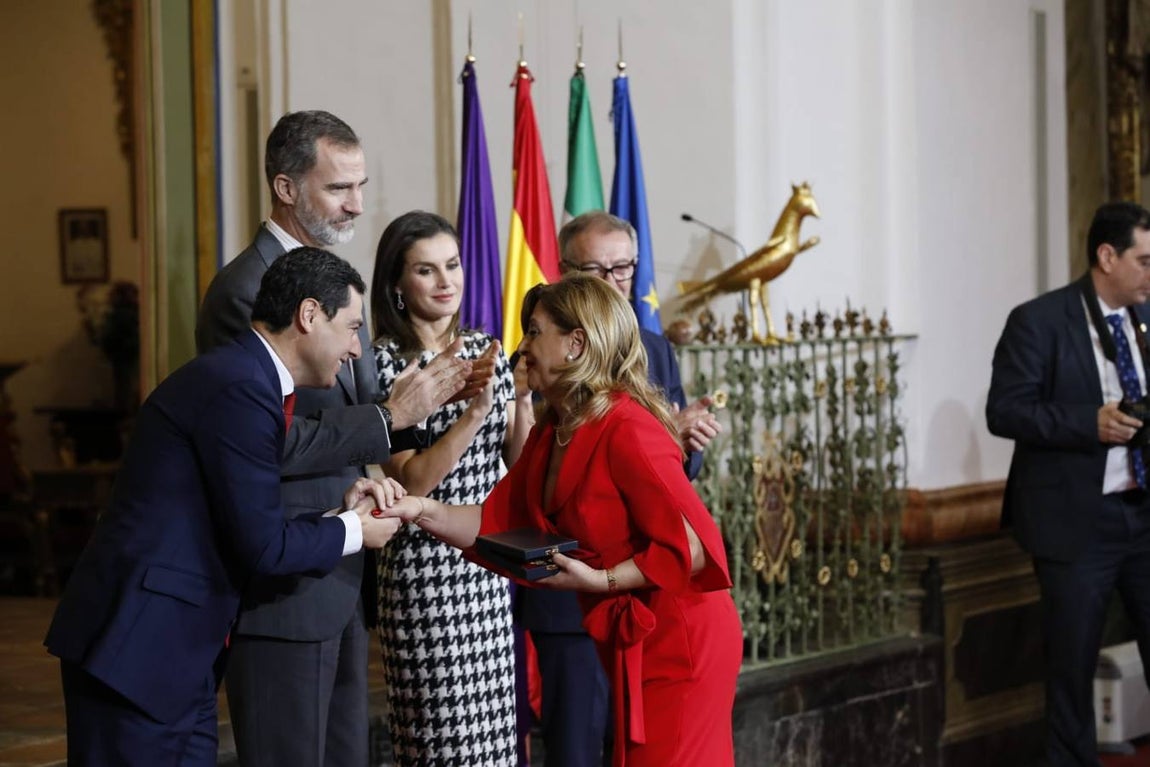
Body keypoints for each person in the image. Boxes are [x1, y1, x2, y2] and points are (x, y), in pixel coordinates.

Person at [44, 247, 406, 766]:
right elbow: (263, 548)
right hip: (137, 650)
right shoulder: (239, 386)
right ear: (308, 316)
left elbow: (243, 523)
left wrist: (337, 516)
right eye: (351, 328)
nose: (356, 349)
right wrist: (354, 530)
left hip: (177, 656)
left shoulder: (246, 379)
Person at [195, 110, 475, 767]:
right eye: (338, 188)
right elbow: (266, 439)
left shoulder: (335, 278)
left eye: (361, 185)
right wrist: (390, 415)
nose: (356, 203)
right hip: (283, 584)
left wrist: (379, 462)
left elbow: (351, 421)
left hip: (347, 571)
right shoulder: (243, 291)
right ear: (286, 188)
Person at [384, 275, 743, 766]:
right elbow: (498, 523)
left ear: (576, 344)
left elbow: (692, 544)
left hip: (680, 635)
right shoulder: (555, 428)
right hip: (632, 631)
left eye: (534, 331)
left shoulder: (628, 427)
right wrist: (420, 510)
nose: (523, 346)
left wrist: (601, 579)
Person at [512, 210, 723, 765]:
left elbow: (681, 522)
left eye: (622, 268)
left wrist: (678, 442)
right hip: (576, 597)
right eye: (593, 269)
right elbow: (515, 490)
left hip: (649, 602)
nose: (610, 282)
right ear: (565, 274)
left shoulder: (648, 366)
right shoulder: (540, 369)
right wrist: (420, 508)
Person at [987, 201, 1150, 766]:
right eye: (1144, 261)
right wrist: (1089, 423)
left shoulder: (1147, 318)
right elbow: (1005, 411)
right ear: (1107, 257)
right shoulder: (1039, 320)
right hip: (1078, 526)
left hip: (1144, 516)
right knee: (1071, 674)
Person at [368, 210, 530, 764]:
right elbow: (412, 478)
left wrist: (523, 399)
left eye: (453, 265)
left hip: (485, 564)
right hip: (422, 574)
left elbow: (519, 461)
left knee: (492, 746)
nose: (446, 282)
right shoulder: (382, 365)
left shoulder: (487, 349)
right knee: (443, 743)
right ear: (397, 284)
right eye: (427, 270)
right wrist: (474, 412)